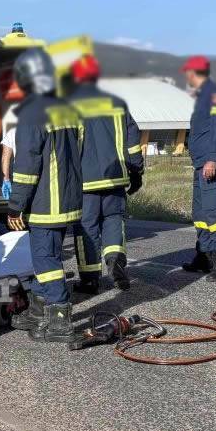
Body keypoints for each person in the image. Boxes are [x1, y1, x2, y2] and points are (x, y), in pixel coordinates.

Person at [5, 48, 84, 342]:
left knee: (46, 261)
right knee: (45, 258)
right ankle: (38, 315)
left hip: (46, 203)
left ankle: (60, 319)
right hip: (67, 200)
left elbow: (26, 166)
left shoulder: (31, 113)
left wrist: (15, 206)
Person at [67, 55, 144, 292]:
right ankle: (115, 260)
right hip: (116, 178)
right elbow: (133, 140)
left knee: (86, 229)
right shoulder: (117, 103)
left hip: (85, 182)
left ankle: (90, 280)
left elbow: (66, 146)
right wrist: (136, 170)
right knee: (113, 221)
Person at [181, 56, 216, 279]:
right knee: (201, 212)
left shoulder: (214, 94)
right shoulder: (204, 96)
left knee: (214, 210)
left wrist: (212, 158)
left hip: (210, 163)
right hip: (201, 163)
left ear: (193, 72)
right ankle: (204, 257)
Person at [0, 77, 25, 208]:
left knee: (20, 207)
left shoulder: (11, 115)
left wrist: (6, 179)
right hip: (43, 168)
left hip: (20, 170)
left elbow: (6, 154)